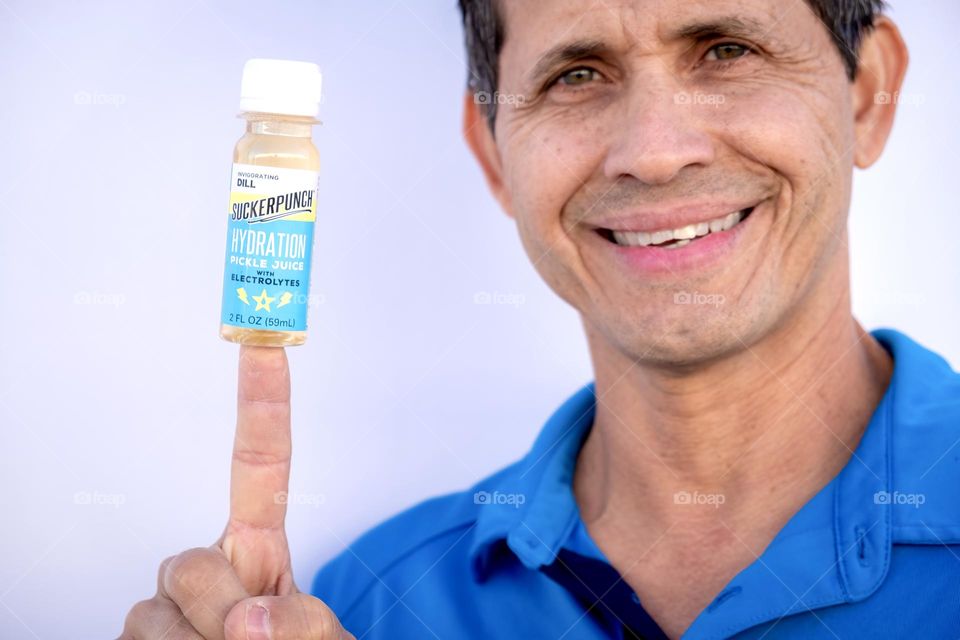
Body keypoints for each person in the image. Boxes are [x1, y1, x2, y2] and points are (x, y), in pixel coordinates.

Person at [119, 1, 960, 638]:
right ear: (492, 151)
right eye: (576, 74)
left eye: (726, 50)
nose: (656, 150)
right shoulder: (368, 608)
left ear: (869, 95)